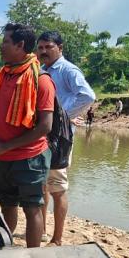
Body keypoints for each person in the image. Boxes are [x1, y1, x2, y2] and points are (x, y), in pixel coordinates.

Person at [0, 23, 54, 248]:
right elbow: (1, 115)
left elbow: (45, 126)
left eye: (6, 42)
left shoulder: (41, 80)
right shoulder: (3, 76)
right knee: (7, 205)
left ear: (20, 45)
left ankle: (32, 257)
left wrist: (5, 146)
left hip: (30, 158)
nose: (1, 46)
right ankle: (5, 247)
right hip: (4, 157)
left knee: (32, 208)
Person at [36, 31, 96, 246]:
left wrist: (62, 117)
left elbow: (88, 95)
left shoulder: (67, 70)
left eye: (48, 47)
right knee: (41, 185)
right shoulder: (42, 70)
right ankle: (41, 230)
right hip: (42, 135)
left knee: (57, 188)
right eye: (40, 47)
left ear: (60, 48)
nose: (43, 51)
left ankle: (57, 238)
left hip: (60, 138)